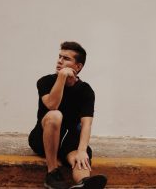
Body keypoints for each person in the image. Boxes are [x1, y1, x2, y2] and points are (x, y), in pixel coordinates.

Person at [28, 41, 107, 189]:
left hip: (68, 140)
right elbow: (52, 105)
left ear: (78, 67)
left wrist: (82, 151)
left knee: (79, 156)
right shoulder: (45, 81)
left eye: (66, 59)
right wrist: (61, 78)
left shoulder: (86, 90)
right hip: (43, 137)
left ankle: (83, 183)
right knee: (55, 115)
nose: (59, 61)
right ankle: (52, 173)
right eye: (59, 57)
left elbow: (86, 123)